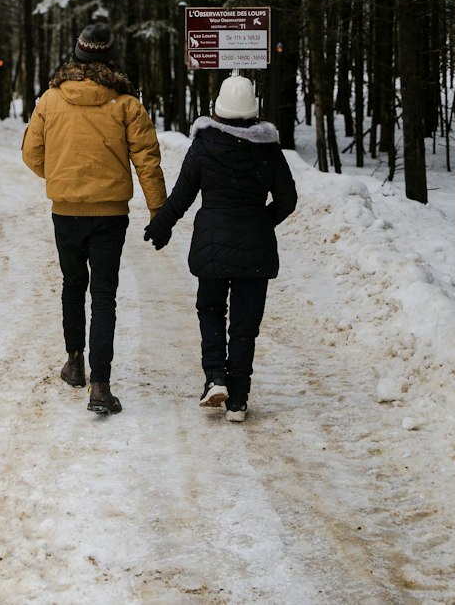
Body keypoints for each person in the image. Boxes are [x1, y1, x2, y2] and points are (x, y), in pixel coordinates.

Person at [22, 21, 167, 415]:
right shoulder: (126, 105)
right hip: (110, 214)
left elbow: (32, 154)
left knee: (72, 285)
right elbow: (147, 162)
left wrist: (62, 175)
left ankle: (74, 361)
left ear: (77, 55)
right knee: (103, 295)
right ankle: (100, 386)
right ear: (108, 58)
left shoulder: (50, 100)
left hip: (65, 211)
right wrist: (159, 211)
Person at [143, 73, 296, 421]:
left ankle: (214, 377)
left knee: (211, 310)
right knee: (245, 324)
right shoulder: (268, 150)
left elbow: (182, 195)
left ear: (218, 109)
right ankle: (238, 399)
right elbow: (288, 199)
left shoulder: (204, 145)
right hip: (255, 248)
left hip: (212, 243)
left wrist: (160, 226)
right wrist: (260, 222)